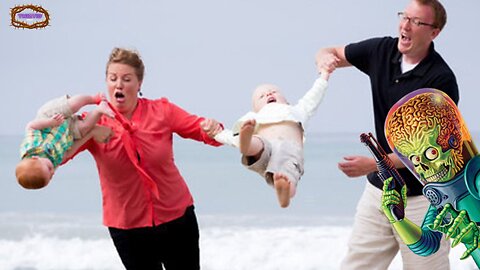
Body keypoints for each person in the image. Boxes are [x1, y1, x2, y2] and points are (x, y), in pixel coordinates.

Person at [315, 0, 458, 269]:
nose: (405, 25)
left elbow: (430, 154)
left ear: (434, 32)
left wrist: (374, 163)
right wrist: (324, 58)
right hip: (380, 192)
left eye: (417, 22)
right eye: (404, 17)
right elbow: (331, 50)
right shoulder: (381, 50)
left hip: (425, 200)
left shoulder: (440, 80)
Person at [64, 47, 223, 270]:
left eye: (126, 79)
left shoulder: (162, 111)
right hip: (128, 229)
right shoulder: (94, 122)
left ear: (139, 84)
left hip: (176, 219)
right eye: (113, 78)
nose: (118, 84)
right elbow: (59, 154)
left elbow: (206, 132)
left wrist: (213, 128)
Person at [209, 70, 330, 208]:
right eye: (261, 96)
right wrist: (218, 134)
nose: (268, 94)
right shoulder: (254, 117)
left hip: (288, 151)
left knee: (288, 173)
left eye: (274, 91)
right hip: (263, 146)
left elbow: (314, 96)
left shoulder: (297, 110)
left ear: (287, 101)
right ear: (255, 109)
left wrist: (324, 75)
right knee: (257, 143)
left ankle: (284, 192)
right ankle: (246, 142)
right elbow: (232, 137)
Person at [15, 93, 114, 189]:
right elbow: (67, 154)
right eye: (51, 176)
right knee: (85, 127)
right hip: (68, 131)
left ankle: (93, 99)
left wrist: (50, 122)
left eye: (49, 169)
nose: (52, 171)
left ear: (35, 158)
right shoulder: (53, 163)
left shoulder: (31, 147)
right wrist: (88, 135)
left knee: (72, 105)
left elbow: (31, 127)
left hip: (52, 117)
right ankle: (100, 109)